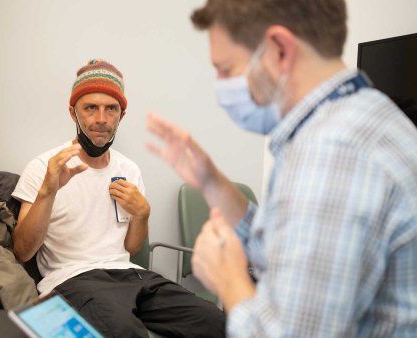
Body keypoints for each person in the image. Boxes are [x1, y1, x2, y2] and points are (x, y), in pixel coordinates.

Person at [147, 0, 417, 336]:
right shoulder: (366, 114)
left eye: (226, 68)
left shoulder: (332, 153)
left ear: (278, 50)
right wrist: (211, 181)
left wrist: (229, 281)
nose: (219, 85)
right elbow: (282, 245)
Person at [12, 59, 226, 337]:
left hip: (132, 275)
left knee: (217, 322)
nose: (101, 118)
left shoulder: (129, 170)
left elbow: (132, 247)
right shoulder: (44, 167)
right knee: (125, 332)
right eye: (90, 108)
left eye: (111, 109)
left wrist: (142, 214)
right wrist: (47, 192)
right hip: (75, 280)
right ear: (72, 113)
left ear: (121, 115)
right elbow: (22, 251)